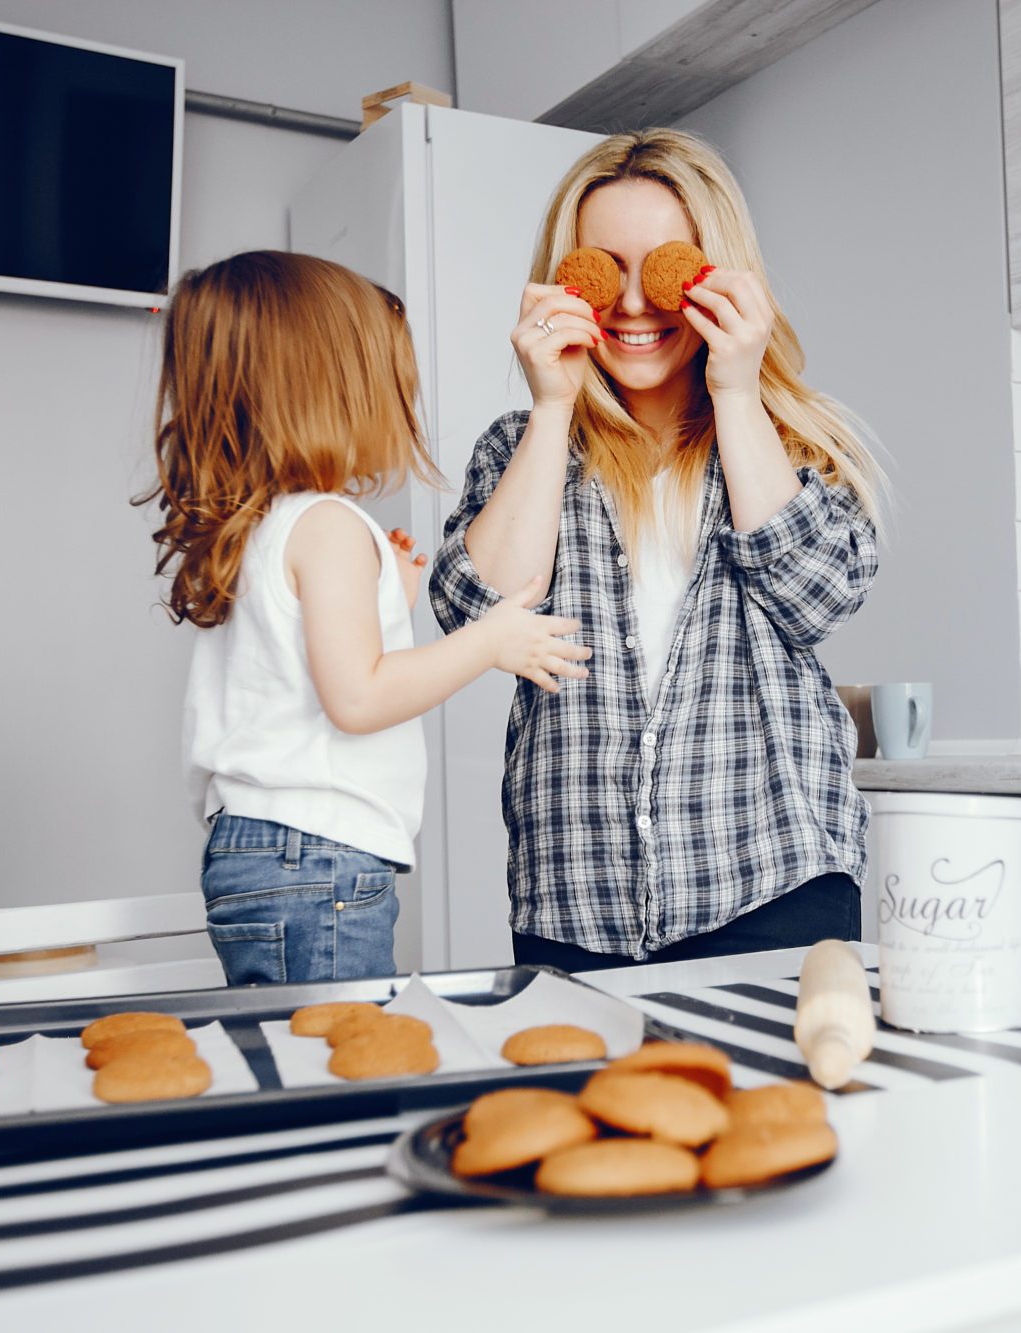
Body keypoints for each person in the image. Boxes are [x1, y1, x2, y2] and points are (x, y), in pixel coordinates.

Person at [430, 130, 884, 969]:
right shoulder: (522, 444)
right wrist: (553, 409)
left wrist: (738, 392)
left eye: (664, 267)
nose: (635, 303)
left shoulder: (795, 443)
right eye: (605, 269)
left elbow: (819, 599)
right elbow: (478, 614)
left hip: (772, 881)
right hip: (575, 899)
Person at [141, 250, 591, 984]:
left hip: (254, 851)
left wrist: (391, 600)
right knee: (337, 1065)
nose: (398, 405)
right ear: (326, 392)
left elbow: (296, 668)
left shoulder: (264, 525)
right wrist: (492, 638)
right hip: (318, 858)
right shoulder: (329, 525)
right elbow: (357, 697)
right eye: (388, 385)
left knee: (290, 1062)